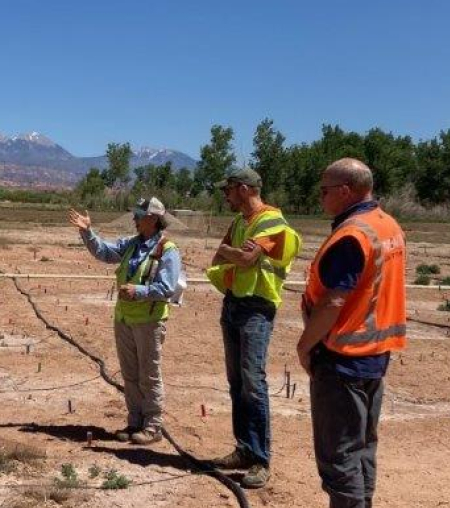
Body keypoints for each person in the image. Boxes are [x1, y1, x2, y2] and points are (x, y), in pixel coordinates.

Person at [294, 157, 407, 508]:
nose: (320, 196)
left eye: (324, 189)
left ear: (346, 190)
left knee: (340, 459)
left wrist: (305, 346)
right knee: (361, 455)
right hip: (374, 355)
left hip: (342, 359)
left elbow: (335, 301)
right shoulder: (387, 226)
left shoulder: (352, 235)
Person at [205, 168, 301, 488]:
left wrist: (228, 253)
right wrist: (233, 254)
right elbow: (229, 254)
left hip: (257, 309)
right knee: (237, 383)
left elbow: (244, 259)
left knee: (253, 383)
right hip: (234, 303)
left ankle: (260, 458)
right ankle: (244, 448)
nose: (225, 196)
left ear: (244, 189)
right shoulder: (239, 222)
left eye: (228, 190)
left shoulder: (271, 220)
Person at [68, 197, 185, 446]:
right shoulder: (132, 244)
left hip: (149, 321)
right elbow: (105, 252)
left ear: (153, 218)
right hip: (124, 318)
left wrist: (139, 291)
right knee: (130, 374)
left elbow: (167, 287)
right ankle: (134, 422)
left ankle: (152, 427)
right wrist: (88, 232)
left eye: (139, 215)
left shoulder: (168, 250)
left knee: (149, 375)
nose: (134, 218)